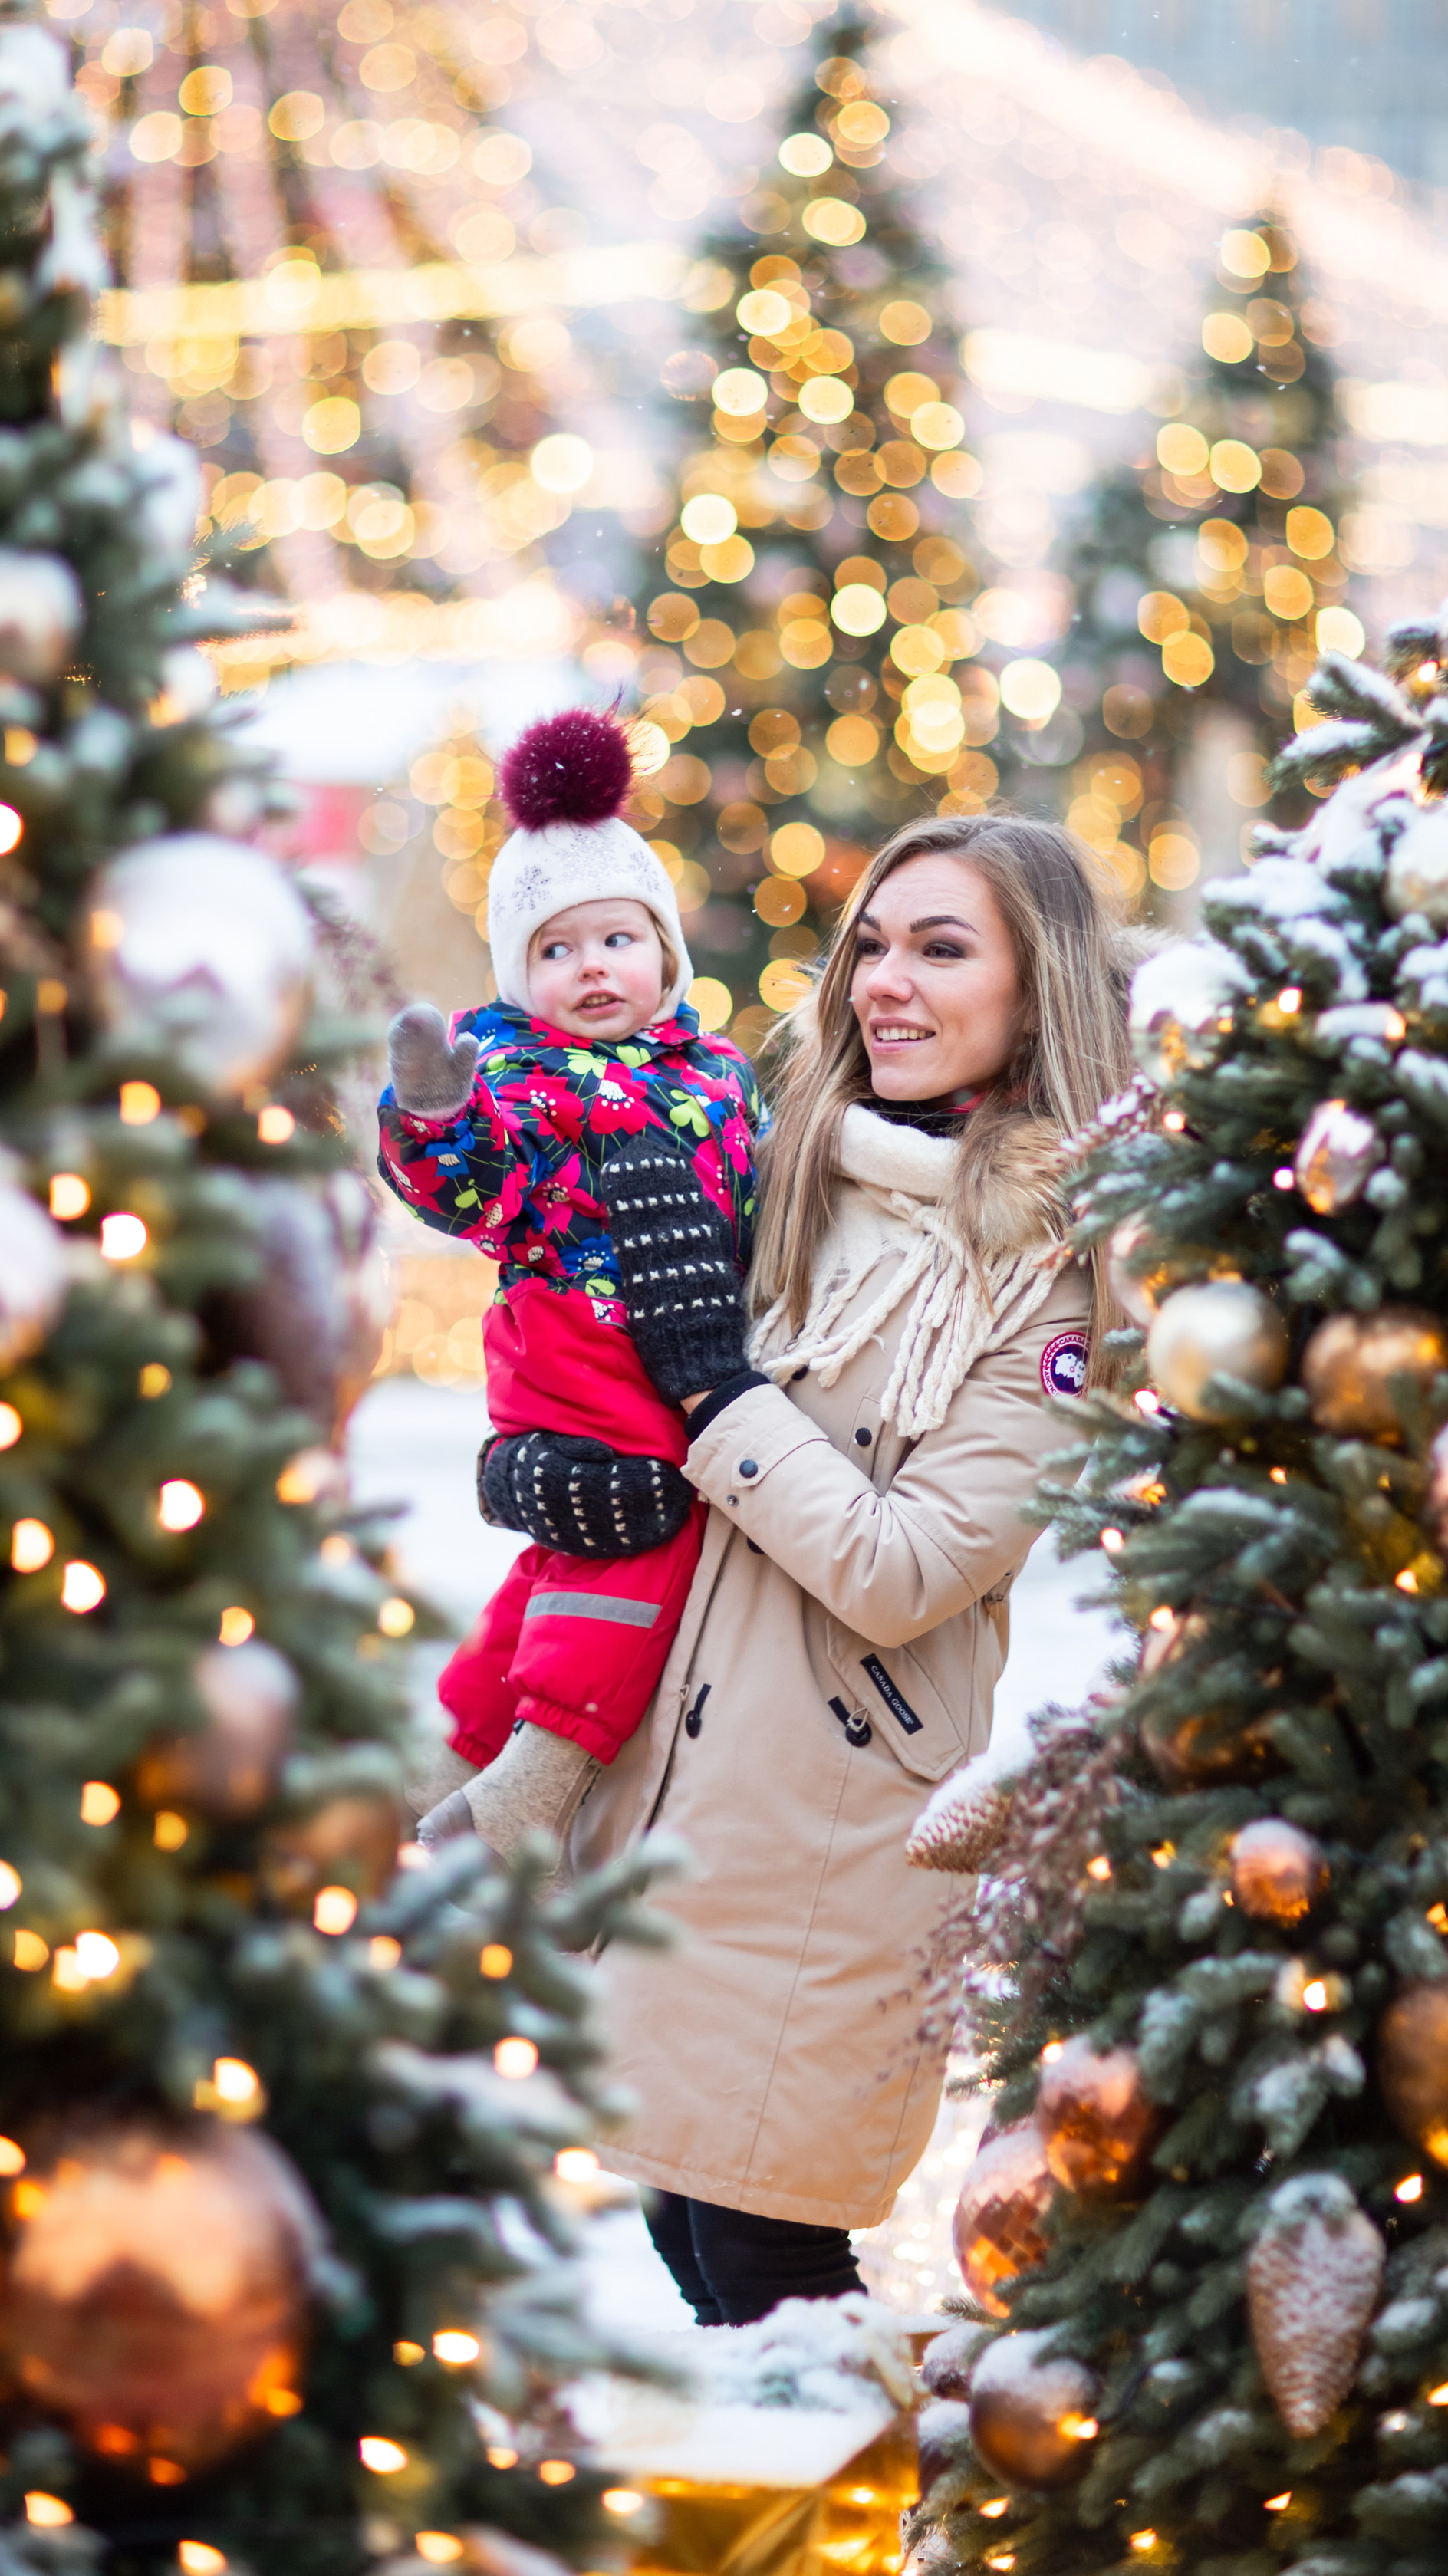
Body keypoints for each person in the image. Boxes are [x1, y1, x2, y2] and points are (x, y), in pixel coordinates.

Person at [564, 811, 1130, 2327]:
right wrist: (571, 1468)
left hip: (834, 1845)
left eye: (940, 949)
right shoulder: (799, 1175)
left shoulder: (1064, 1267)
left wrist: (710, 1393)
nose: (884, 980)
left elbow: (907, 1566)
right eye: (870, 944)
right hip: (686, 1801)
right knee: (691, 2231)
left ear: (1035, 991)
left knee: (771, 2263)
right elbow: (660, 1435)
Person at [376, 707, 764, 1858]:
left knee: (564, 1561)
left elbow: (768, 1187)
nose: (591, 968)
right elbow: (467, 1186)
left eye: (615, 941)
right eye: (555, 951)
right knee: (635, 1532)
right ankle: (531, 1789)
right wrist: (437, 1115)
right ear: (518, 974)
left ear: (664, 952)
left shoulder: (723, 1070)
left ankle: (447, 1754)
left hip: (686, 1343)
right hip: (578, 1349)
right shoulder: (521, 1078)